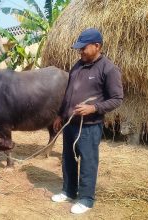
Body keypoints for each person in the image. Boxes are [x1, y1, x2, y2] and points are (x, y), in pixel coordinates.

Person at [52, 28, 123, 214]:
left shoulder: (109, 69)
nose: (80, 51)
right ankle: (68, 191)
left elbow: (117, 99)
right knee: (67, 159)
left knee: (88, 162)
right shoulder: (77, 65)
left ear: (97, 46)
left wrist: (94, 108)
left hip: (89, 127)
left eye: (83, 48)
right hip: (70, 124)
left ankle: (86, 199)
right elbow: (68, 94)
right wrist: (60, 114)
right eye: (79, 49)